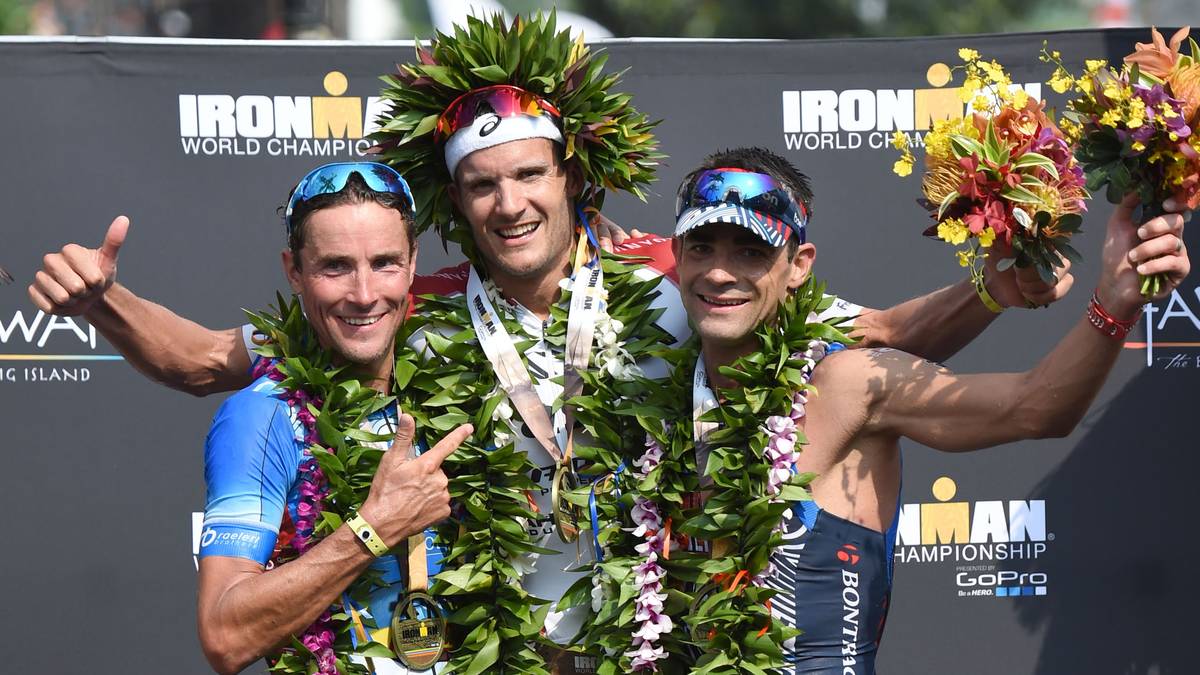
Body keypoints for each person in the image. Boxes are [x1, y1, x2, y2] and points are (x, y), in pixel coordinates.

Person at [27, 12, 1074, 674]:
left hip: (651, 646)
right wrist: (106, 305)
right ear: (457, 203)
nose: (511, 202)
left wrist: (996, 284)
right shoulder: (413, 307)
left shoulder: (674, 278)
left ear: (573, 176)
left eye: (530, 173)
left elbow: (880, 335)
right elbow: (208, 360)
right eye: (483, 183)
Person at [665, 147, 1189, 673]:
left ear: (798, 266)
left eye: (751, 252)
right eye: (702, 247)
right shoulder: (655, 389)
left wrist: (1115, 301)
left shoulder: (849, 382)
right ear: (677, 255)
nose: (719, 273)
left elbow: (1034, 407)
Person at [195, 161, 472, 675]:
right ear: (294, 271)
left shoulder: (456, 384)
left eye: (385, 263)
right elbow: (224, 634)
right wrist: (375, 527)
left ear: (414, 262)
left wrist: (594, 227)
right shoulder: (262, 416)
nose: (364, 294)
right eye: (336, 267)